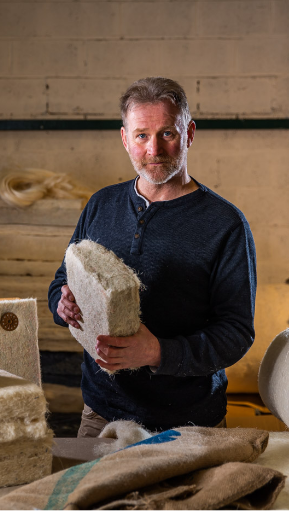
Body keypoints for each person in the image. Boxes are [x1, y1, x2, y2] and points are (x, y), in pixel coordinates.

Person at [48, 77, 256, 437]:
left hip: (189, 425)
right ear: (125, 138)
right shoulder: (101, 204)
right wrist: (62, 305)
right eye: (142, 135)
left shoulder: (225, 224)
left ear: (189, 133)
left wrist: (157, 352)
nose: (154, 149)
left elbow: (236, 333)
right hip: (100, 417)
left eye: (167, 134)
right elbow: (60, 281)